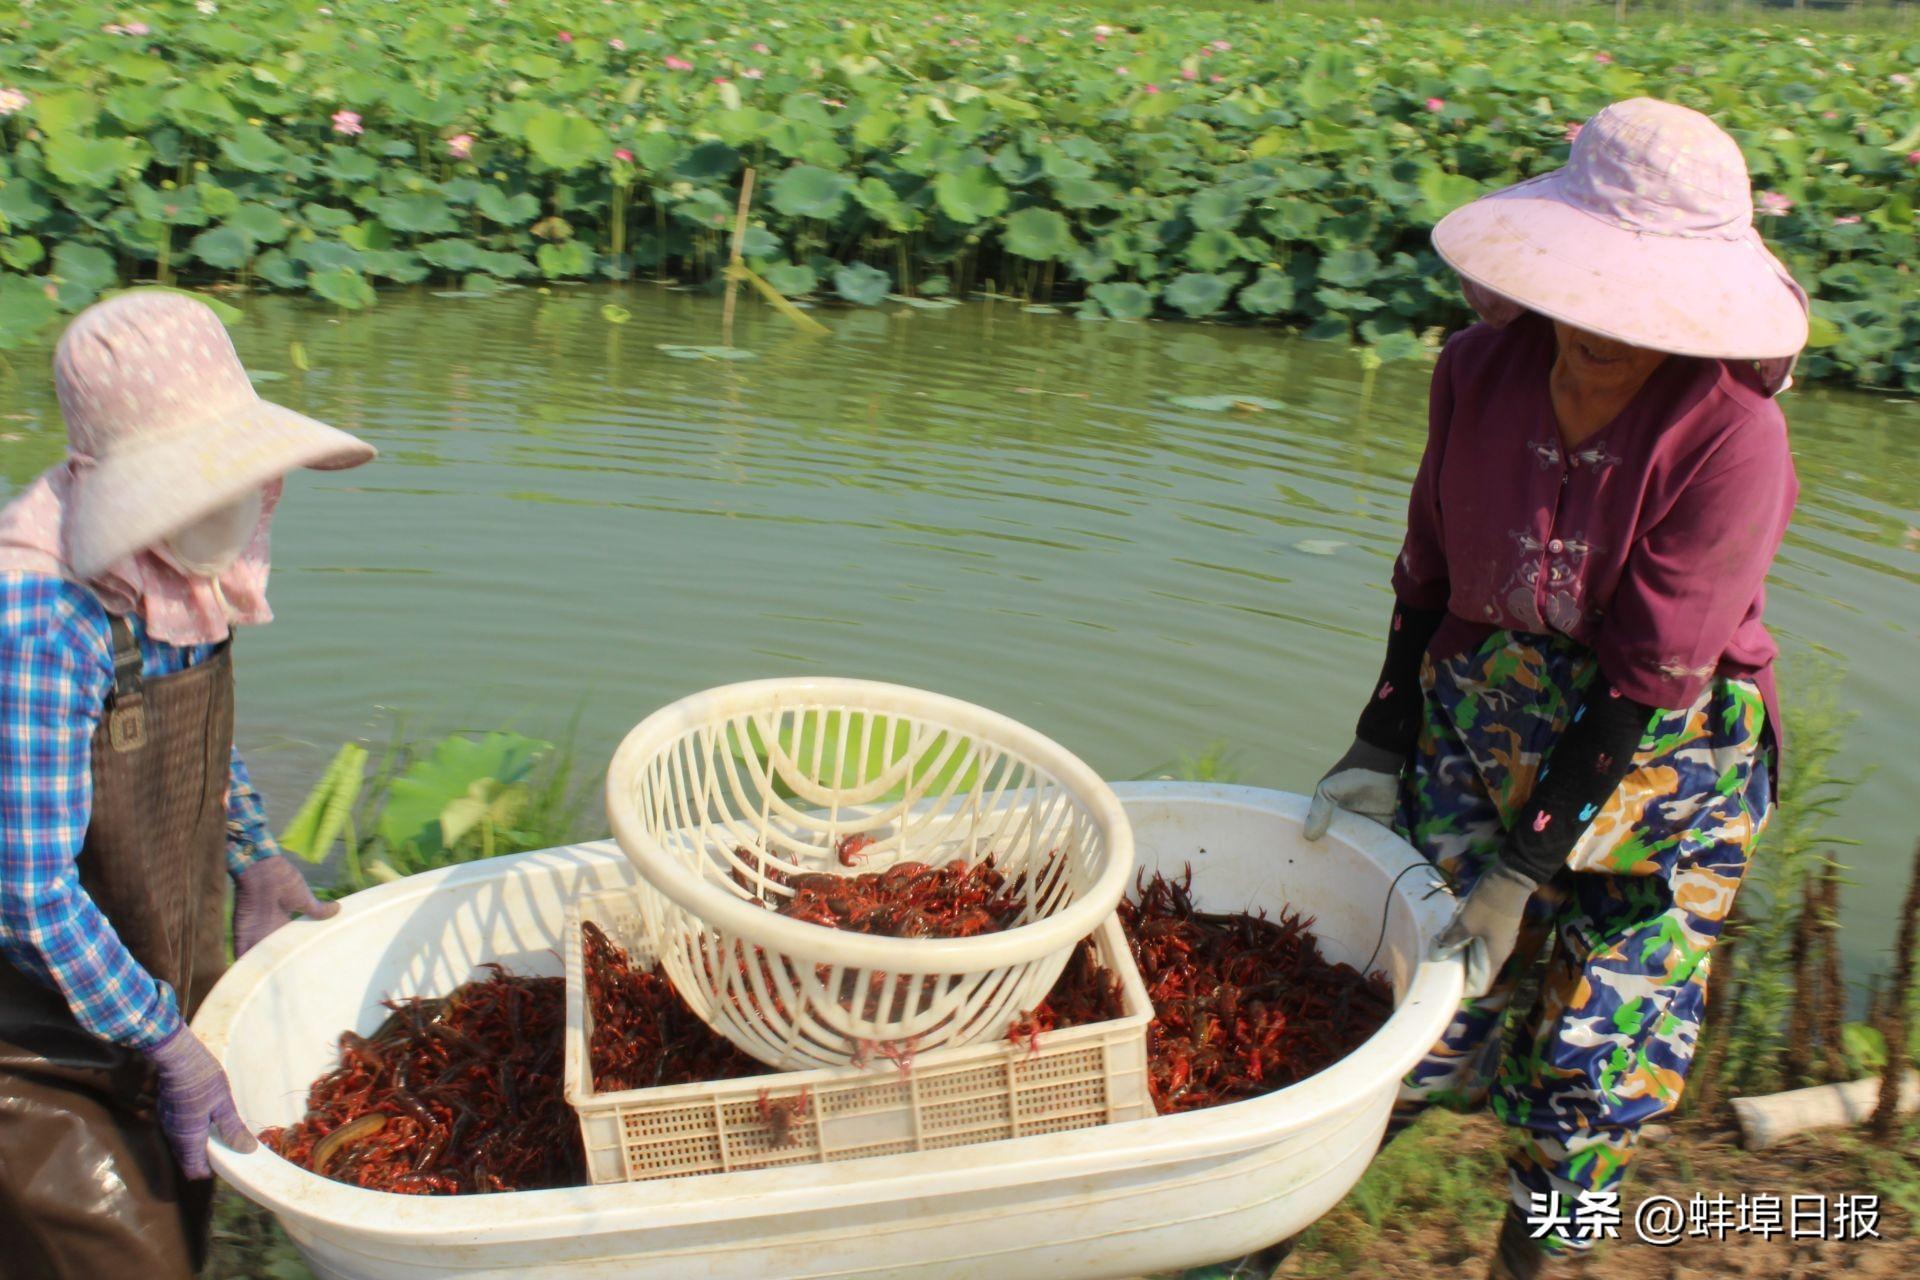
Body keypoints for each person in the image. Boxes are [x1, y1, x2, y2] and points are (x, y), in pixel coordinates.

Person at [1302, 99, 1806, 1280]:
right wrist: (1382, 732)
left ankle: (1539, 1265)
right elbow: (1426, 567)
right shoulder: (1479, 371)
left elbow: (1648, 674)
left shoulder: (1732, 436)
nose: (1602, 328)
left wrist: (1525, 872)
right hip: (1481, 719)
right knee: (1406, 1017)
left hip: (1664, 764)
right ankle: (1259, 1233)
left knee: (1599, 1059)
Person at [0, 290, 376, 1278]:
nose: (229, 509)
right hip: (31, 1041)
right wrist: (164, 1039)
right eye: (191, 486)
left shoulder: (172, 572)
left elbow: (190, 741)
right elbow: (29, 889)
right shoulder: (47, 617)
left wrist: (253, 855)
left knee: (180, 1225)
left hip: (134, 990)